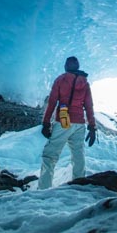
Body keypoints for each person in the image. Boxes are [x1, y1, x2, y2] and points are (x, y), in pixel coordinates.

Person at [38, 56, 96, 189]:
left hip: (64, 122)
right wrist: (92, 126)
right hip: (79, 123)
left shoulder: (61, 80)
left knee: (50, 156)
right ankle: (79, 184)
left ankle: (43, 188)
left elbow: (52, 102)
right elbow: (89, 106)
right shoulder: (85, 83)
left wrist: (46, 123)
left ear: (66, 66)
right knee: (78, 154)